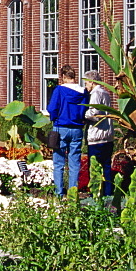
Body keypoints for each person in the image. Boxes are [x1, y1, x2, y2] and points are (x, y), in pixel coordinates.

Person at [47, 65, 89, 197]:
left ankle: (59, 192)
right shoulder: (83, 92)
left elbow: (52, 108)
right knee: (74, 162)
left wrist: (55, 119)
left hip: (61, 128)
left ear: (64, 77)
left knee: (58, 162)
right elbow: (85, 109)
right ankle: (73, 193)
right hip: (77, 128)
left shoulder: (59, 90)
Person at [83, 70, 114, 196]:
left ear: (91, 81)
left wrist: (83, 114)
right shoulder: (106, 93)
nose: (86, 86)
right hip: (108, 135)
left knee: (94, 167)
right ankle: (108, 193)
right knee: (106, 166)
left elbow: (95, 114)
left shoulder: (95, 94)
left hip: (97, 136)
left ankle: (95, 194)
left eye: (86, 83)